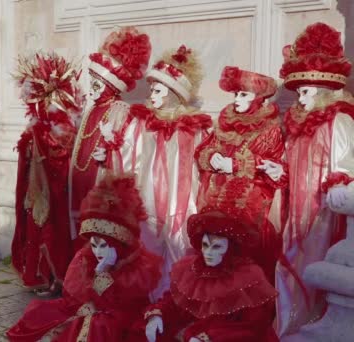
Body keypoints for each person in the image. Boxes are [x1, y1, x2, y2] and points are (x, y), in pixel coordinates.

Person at [7, 174, 162, 341]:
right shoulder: (86, 257)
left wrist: (104, 270)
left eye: (103, 246)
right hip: (90, 307)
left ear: (118, 243)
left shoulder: (136, 265)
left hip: (118, 315)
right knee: (42, 312)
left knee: (97, 326)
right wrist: (99, 270)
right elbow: (84, 295)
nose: (97, 252)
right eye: (94, 245)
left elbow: (112, 302)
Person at [276, 22, 354, 336]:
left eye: (306, 92)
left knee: (311, 265)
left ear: (322, 90)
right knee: (288, 263)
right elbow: (289, 163)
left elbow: (343, 165)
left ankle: (307, 325)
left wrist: (337, 184)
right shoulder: (300, 125)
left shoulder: (338, 120)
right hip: (296, 211)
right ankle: (288, 325)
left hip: (321, 215)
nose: (300, 100)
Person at [132, 45, 212, 296]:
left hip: (180, 199)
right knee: (148, 242)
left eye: (157, 90)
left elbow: (200, 165)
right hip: (149, 200)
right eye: (151, 90)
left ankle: (177, 297)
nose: (151, 95)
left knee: (179, 244)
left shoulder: (191, 128)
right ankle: (151, 297)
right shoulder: (146, 124)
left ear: (173, 93)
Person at [195, 66, 286, 284]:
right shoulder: (224, 123)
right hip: (216, 200)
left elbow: (273, 163)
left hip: (249, 203)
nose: (237, 99)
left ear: (258, 98)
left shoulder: (269, 129)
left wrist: (236, 164)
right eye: (236, 94)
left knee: (244, 257)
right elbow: (204, 150)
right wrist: (213, 157)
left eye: (243, 94)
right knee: (215, 251)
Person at [69, 26, 151, 250]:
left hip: (101, 179)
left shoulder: (121, 110)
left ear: (109, 86)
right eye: (91, 82)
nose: (92, 90)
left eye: (97, 84)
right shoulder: (90, 110)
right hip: (80, 179)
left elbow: (132, 150)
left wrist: (109, 154)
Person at [144, 209, 279, 342]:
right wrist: (158, 314)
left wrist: (212, 338)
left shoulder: (249, 277)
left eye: (216, 247)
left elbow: (254, 325)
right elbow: (175, 302)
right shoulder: (194, 270)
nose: (208, 252)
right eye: (205, 245)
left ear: (230, 248)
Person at [11, 53, 83, 294]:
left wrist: (41, 141)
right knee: (37, 228)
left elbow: (63, 151)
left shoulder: (62, 124)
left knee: (54, 231)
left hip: (55, 189)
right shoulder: (38, 123)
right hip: (37, 187)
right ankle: (42, 275)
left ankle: (58, 277)